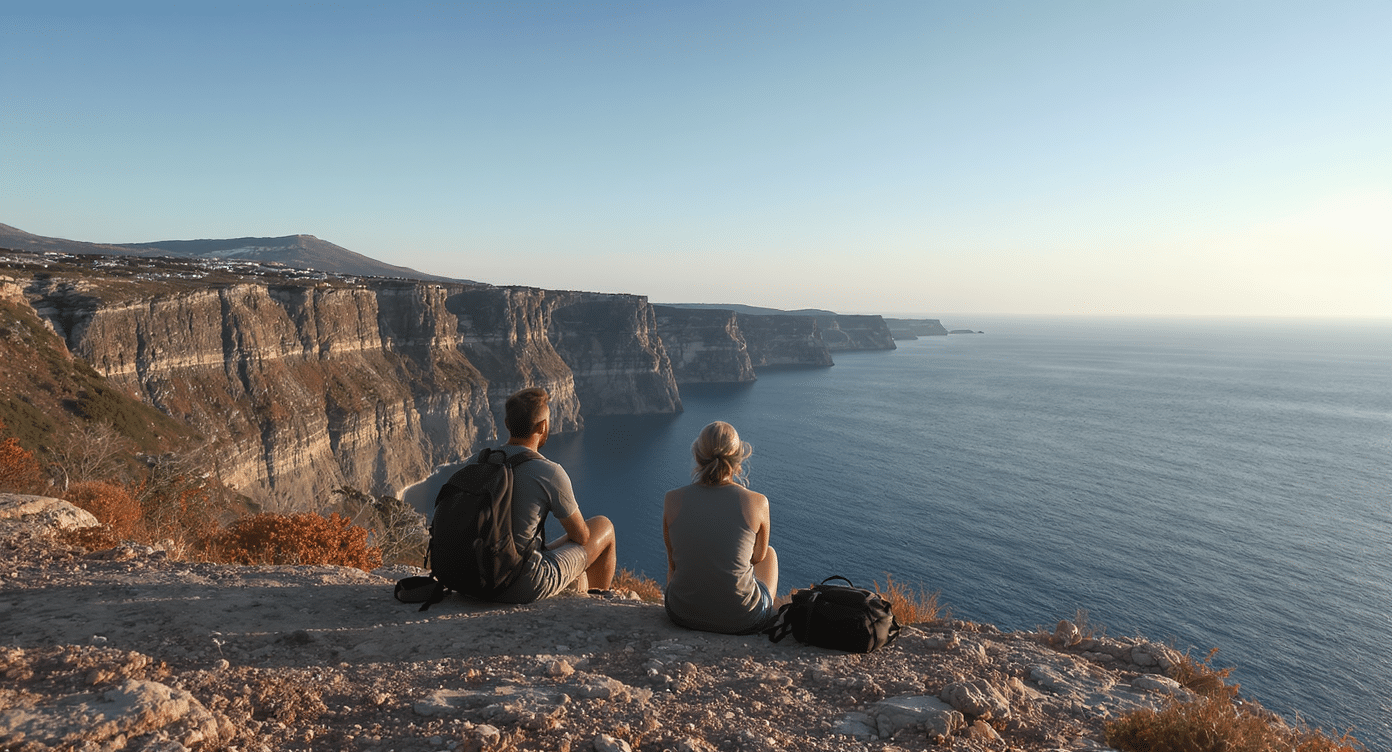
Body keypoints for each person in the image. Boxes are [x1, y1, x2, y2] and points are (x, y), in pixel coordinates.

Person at [488, 387, 616, 603]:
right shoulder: (549, 472)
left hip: (475, 573)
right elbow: (582, 537)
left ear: (507, 424)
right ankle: (596, 605)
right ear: (542, 426)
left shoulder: (479, 461)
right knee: (604, 526)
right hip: (520, 583)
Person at [662, 421, 780, 634]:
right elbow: (757, 557)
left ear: (697, 455)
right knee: (770, 554)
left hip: (680, 614)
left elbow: (672, 563)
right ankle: (758, 610)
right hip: (743, 619)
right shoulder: (757, 502)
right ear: (739, 458)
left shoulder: (672, 500)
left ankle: (695, 604)